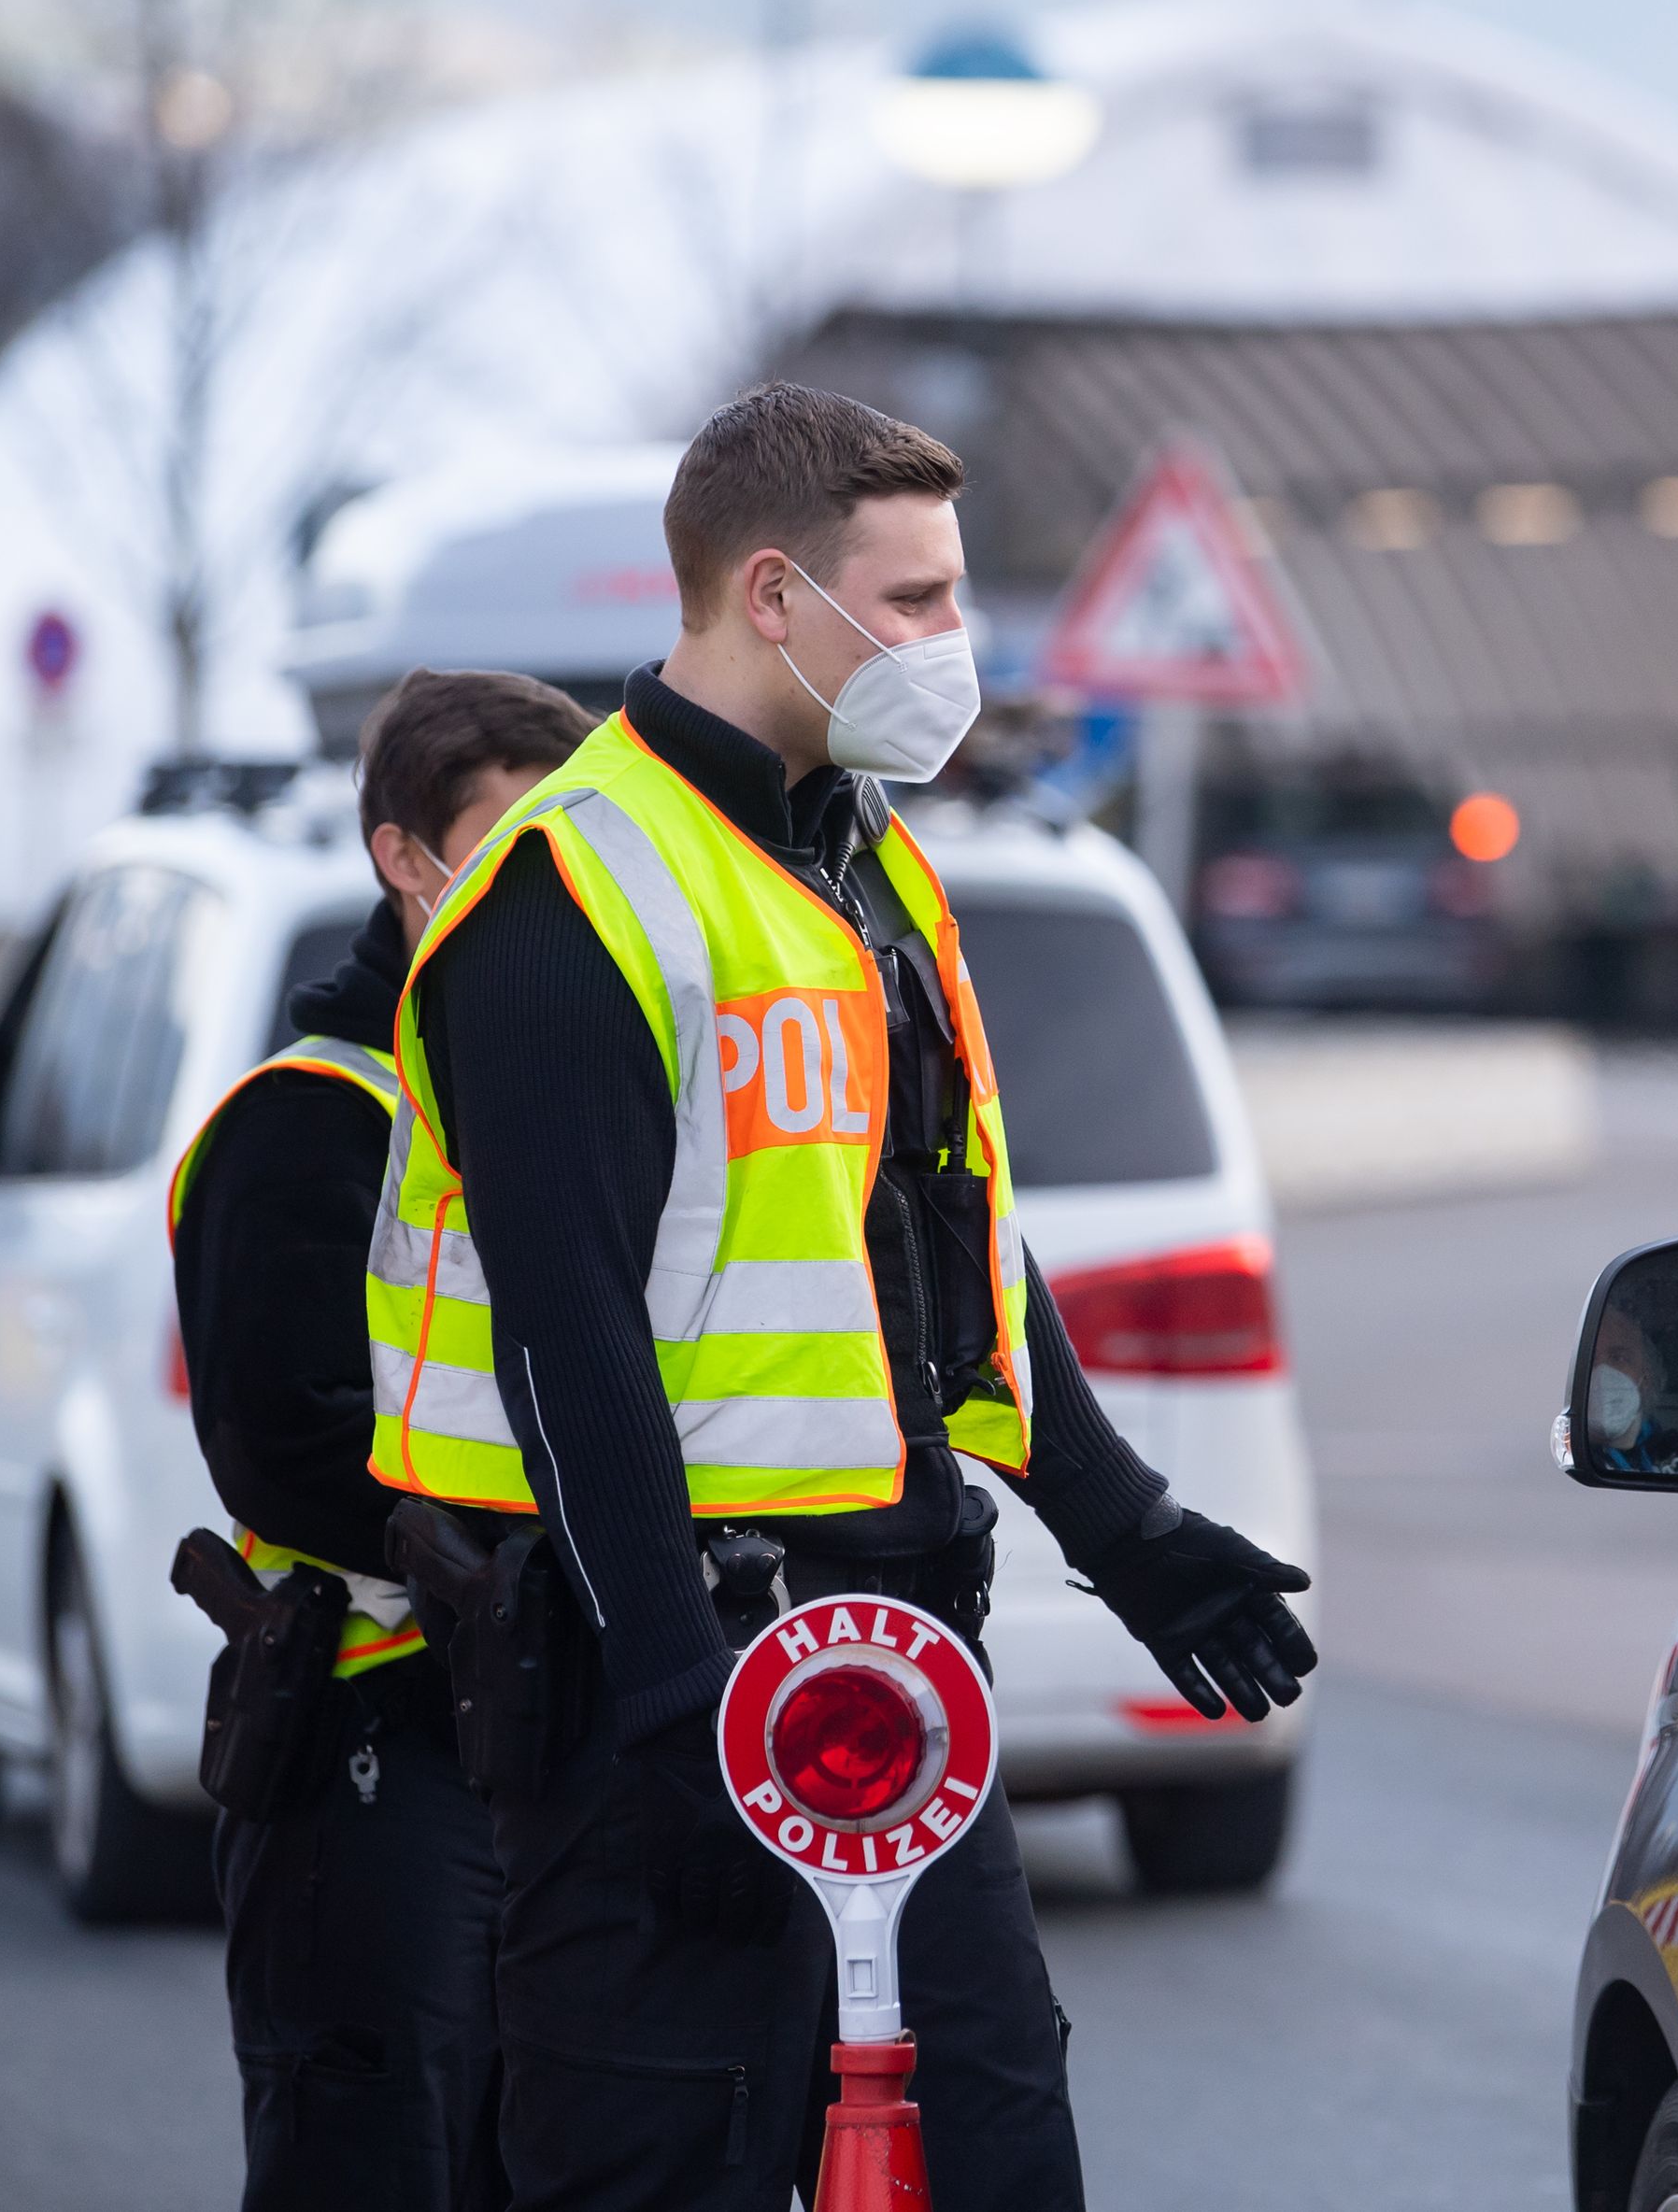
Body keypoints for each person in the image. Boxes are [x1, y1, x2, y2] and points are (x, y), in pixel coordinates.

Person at [365, 382, 1316, 2212]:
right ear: (773, 599)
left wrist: (1125, 1528)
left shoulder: (859, 866)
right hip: (661, 1678)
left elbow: (940, 1245)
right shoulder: (566, 897)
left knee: (990, 2158)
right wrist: (668, 1704)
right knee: (656, 2170)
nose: (953, 645)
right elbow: (573, 1354)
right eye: (916, 601)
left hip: (891, 1649)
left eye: (955, 597)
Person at [168, 665, 597, 2212]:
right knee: (375, 2160)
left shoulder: (546, 1094)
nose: (546, 879)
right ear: (403, 859)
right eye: (509, 839)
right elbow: (281, 1441)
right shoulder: (311, 1119)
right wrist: (529, 1539)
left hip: (533, 1731)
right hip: (373, 1735)